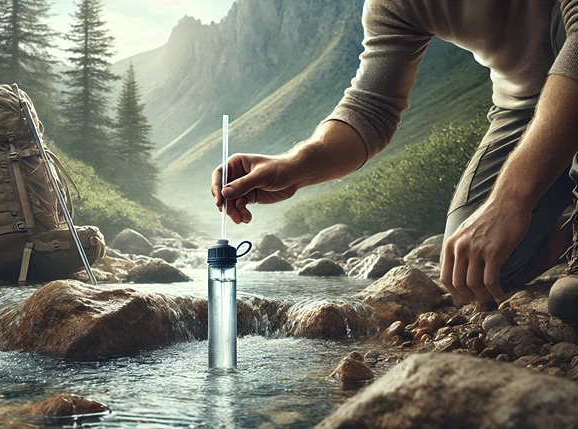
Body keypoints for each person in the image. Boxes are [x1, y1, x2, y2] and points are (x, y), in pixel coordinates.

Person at [211, 1, 578, 321]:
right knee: (480, 270)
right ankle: (572, 229)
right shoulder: (392, 4)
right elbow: (371, 108)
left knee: (499, 224)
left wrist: (510, 200)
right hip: (522, 107)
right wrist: (296, 165)